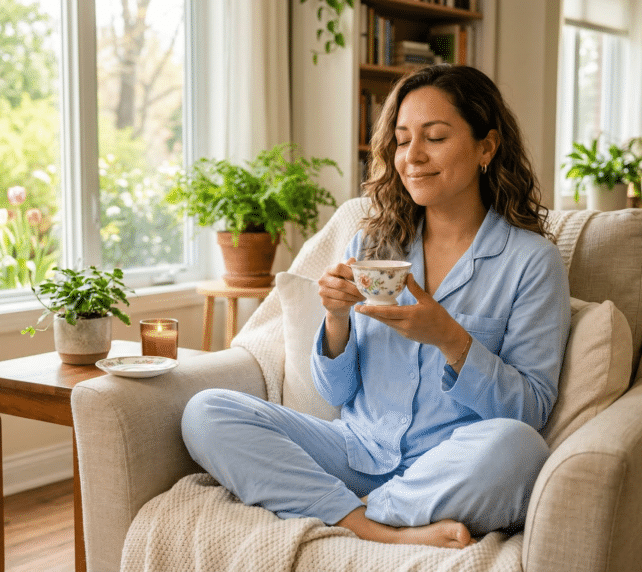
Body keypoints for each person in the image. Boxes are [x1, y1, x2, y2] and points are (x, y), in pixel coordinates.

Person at [182, 64, 570, 549]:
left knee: (520, 451)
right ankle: (372, 527)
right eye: (403, 140)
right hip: (354, 449)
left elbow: (530, 408)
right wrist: (336, 318)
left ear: (486, 148)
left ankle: (349, 511)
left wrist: (450, 337)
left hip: (449, 464)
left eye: (435, 137)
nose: (413, 157)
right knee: (206, 411)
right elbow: (338, 392)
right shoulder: (374, 242)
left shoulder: (531, 262)